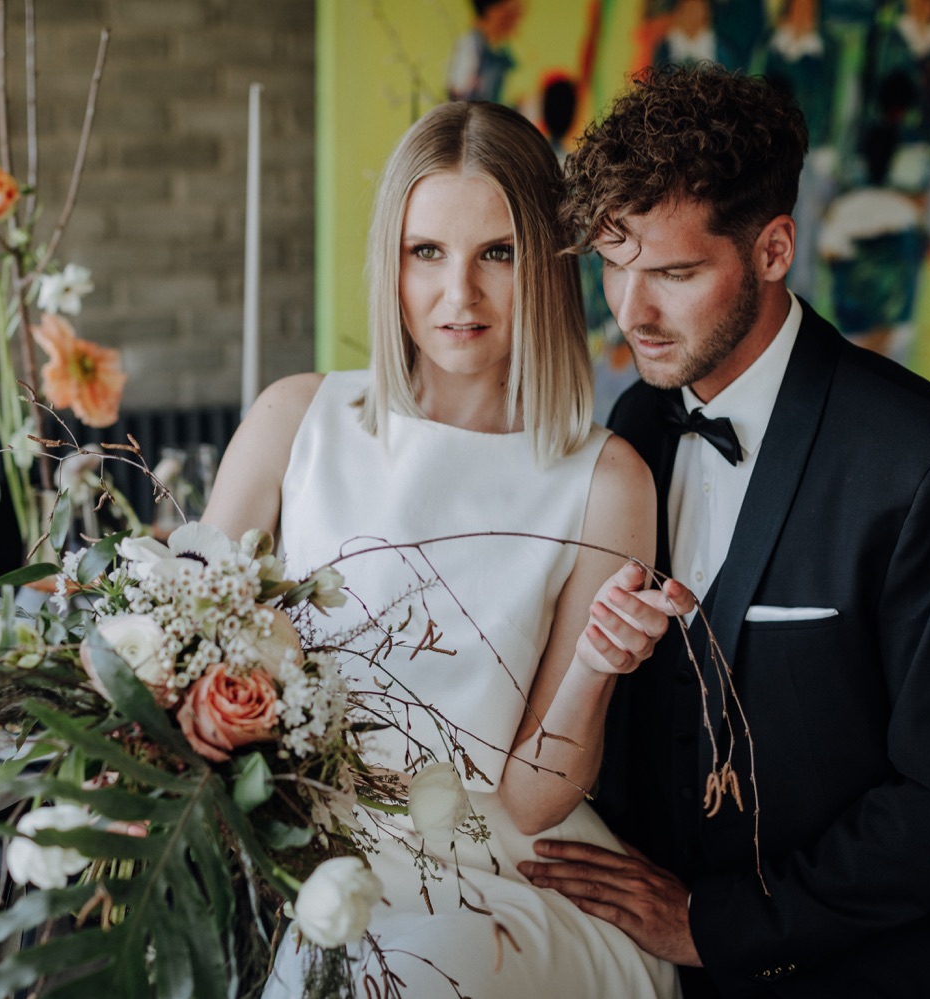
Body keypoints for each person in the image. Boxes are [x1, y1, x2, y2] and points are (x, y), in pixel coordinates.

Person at [518, 64, 930, 997]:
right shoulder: (629, 432)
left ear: (772, 249)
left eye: (675, 273)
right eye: (615, 264)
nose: (631, 312)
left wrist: (713, 924)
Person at [203, 100, 683, 997]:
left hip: (493, 870)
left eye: (496, 254)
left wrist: (593, 665)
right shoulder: (294, 420)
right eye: (427, 252)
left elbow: (533, 798)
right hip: (305, 848)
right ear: (391, 258)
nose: (457, 296)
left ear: (545, 262)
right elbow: (175, 651)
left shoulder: (606, 479)